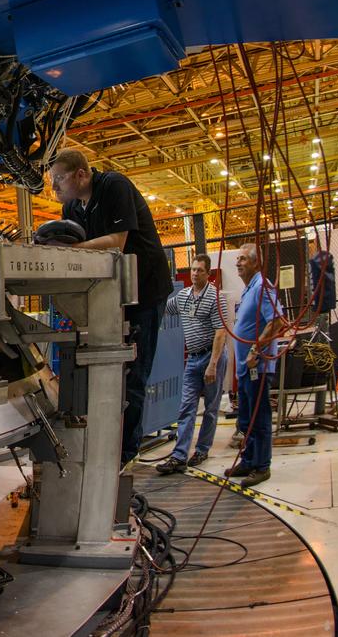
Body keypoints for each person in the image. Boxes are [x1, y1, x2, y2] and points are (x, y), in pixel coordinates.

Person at [48, 149, 173, 464]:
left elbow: (116, 242)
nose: (54, 188)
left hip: (144, 292)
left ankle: (125, 455)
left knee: (133, 377)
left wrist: (73, 249)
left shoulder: (114, 185)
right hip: (111, 298)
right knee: (105, 373)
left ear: (80, 174)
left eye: (59, 179)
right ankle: (103, 446)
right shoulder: (73, 207)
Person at [156, 254, 229, 474]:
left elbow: (220, 333)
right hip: (193, 359)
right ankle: (179, 457)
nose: (195, 274)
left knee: (210, 409)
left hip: (211, 358)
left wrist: (213, 364)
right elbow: (162, 309)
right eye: (193, 270)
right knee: (186, 407)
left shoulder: (215, 297)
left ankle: (202, 449)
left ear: (208, 273)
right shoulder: (183, 296)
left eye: (200, 270)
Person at [226, 243, 285, 487]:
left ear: (255, 263)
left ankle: (262, 466)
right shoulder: (251, 288)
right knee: (247, 418)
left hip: (256, 368)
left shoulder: (263, 287)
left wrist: (255, 350)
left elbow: (277, 322)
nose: (238, 263)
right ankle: (249, 460)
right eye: (237, 259)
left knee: (259, 419)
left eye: (243, 259)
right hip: (245, 369)